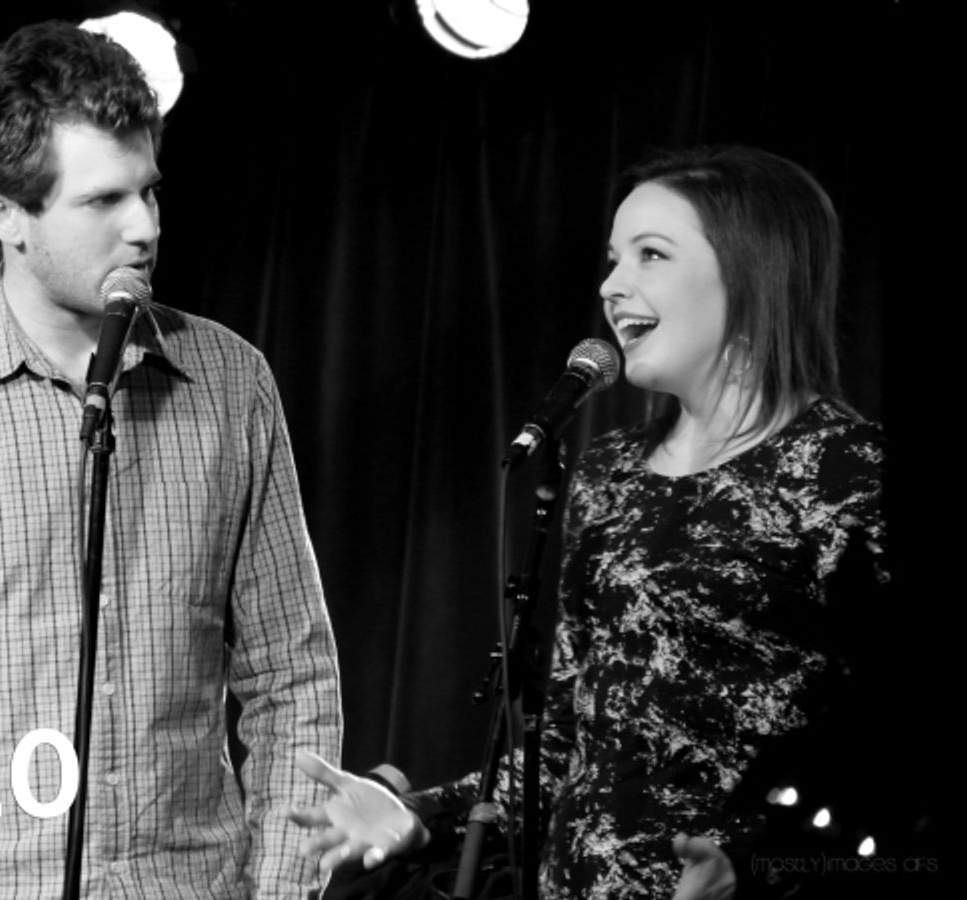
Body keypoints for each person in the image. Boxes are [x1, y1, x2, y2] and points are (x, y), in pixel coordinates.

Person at [0, 19, 341, 899]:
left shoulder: (232, 382)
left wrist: (279, 890)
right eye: (102, 202)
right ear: (4, 216)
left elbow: (295, 681)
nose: (144, 229)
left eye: (150, 192)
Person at [289, 144, 888, 899]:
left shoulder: (852, 475)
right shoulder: (610, 471)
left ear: (750, 269)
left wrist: (764, 864)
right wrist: (420, 817)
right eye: (613, 258)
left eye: (650, 255)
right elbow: (570, 737)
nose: (612, 286)